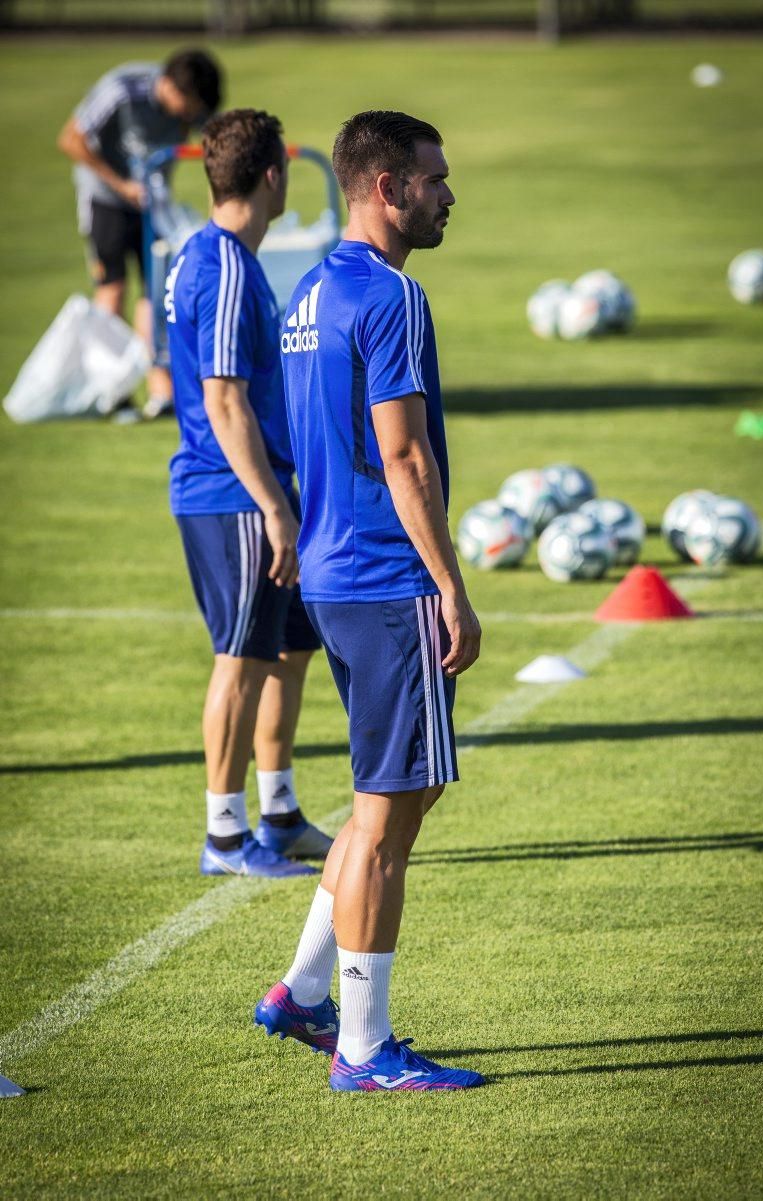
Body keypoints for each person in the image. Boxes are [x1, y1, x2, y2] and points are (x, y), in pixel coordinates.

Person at [254, 110, 485, 1089]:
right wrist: (449, 584)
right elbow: (400, 452)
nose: (446, 194)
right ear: (386, 187)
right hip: (389, 584)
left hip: (333, 577)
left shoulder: (307, 288)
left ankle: (302, 993)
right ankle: (363, 1047)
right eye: (433, 179)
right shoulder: (392, 294)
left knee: (383, 801)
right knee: (389, 827)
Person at [165, 107, 333, 877]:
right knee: (239, 657)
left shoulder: (211, 255)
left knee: (288, 650)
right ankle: (225, 838)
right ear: (274, 176)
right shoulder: (226, 265)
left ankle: (279, 813)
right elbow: (224, 401)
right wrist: (272, 507)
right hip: (233, 495)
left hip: (263, 488)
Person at [58, 49, 223, 422]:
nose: (189, 115)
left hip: (152, 202)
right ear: (170, 85)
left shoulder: (192, 108)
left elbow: (216, 142)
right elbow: (70, 139)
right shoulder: (121, 90)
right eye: (188, 106)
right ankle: (112, 390)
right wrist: (121, 185)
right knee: (112, 288)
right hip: (105, 198)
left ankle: (160, 390)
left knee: (156, 288)